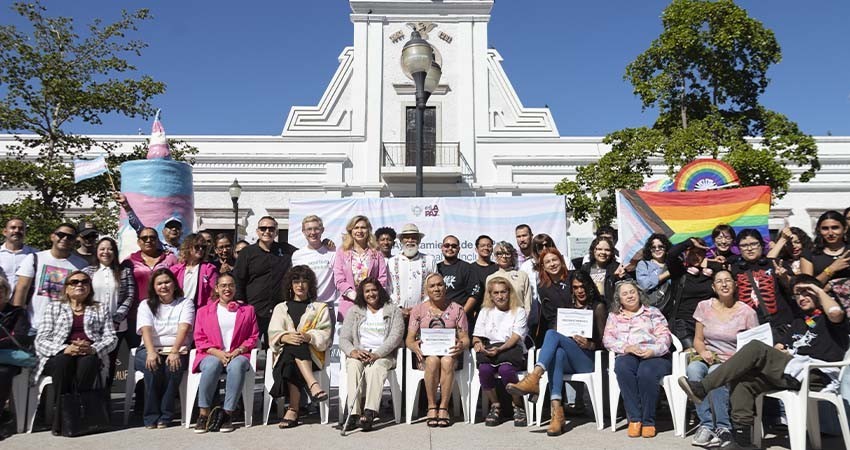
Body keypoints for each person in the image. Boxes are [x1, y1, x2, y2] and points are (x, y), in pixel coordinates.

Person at [679, 274, 850, 449]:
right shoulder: (799, 322)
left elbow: (835, 313)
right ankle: (742, 439)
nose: (802, 298)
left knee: (756, 347)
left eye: (807, 293)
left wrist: (817, 288)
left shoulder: (832, 320)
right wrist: (779, 349)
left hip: (816, 375)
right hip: (791, 373)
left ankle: (703, 387)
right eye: (798, 294)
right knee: (744, 380)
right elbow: (780, 347)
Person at [508, 254, 607, 436]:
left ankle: (535, 377)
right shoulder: (568, 307)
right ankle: (556, 413)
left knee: (552, 334)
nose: (580, 291)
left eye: (583, 286)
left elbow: (606, 342)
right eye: (575, 287)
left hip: (588, 359)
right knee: (558, 353)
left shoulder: (597, 307)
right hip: (569, 355)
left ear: (589, 286)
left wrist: (590, 344)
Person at [34, 271, 117, 435]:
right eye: (74, 282)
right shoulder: (54, 307)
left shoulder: (100, 308)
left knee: (90, 362)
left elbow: (111, 337)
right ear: (66, 288)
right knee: (62, 362)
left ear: (90, 288)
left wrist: (94, 348)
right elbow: (41, 339)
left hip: (89, 353)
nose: (80, 284)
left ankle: (71, 416)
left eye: (85, 282)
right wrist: (65, 348)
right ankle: (67, 417)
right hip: (59, 355)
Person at [685, 269, 758, 447]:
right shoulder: (704, 306)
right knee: (694, 369)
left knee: (716, 372)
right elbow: (698, 339)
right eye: (719, 281)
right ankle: (707, 424)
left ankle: (723, 427)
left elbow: (754, 345)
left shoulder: (747, 312)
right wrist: (703, 352)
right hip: (707, 356)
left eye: (728, 280)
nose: (724, 284)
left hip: (732, 362)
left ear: (735, 284)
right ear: (713, 286)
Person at [602, 279, 672, 438]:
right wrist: (626, 348)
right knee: (622, 367)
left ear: (639, 294)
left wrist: (652, 351)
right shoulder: (614, 317)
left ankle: (648, 421)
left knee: (646, 372)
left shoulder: (652, 312)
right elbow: (608, 340)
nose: (630, 296)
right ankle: (634, 419)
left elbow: (665, 337)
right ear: (619, 298)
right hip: (629, 353)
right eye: (625, 294)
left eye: (632, 292)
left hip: (655, 355)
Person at [191, 273, 259, 433]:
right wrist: (218, 353)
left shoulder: (247, 310)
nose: (227, 289)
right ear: (217, 288)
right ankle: (204, 414)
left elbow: (253, 336)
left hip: (238, 354)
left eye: (231, 285)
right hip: (210, 354)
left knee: (237, 365)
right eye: (223, 285)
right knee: (213, 364)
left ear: (235, 288)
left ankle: (227, 414)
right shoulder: (203, 312)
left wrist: (239, 350)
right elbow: (199, 339)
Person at [268, 265, 333, 429]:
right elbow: (272, 333)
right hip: (283, 357)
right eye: (296, 281)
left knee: (298, 342)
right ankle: (313, 385)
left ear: (310, 285)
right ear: (290, 284)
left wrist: (309, 336)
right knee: (292, 345)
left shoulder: (319, 308)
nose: (300, 285)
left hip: (312, 356)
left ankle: (292, 410)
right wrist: (284, 336)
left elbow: (326, 335)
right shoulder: (281, 308)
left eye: (305, 281)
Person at [338, 277, 404, 431]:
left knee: (375, 368)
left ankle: (369, 413)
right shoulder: (354, 311)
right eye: (367, 291)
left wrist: (378, 354)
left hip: (383, 356)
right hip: (360, 353)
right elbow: (343, 339)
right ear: (362, 293)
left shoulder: (393, 310)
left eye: (374, 290)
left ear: (380, 291)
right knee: (353, 365)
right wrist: (353, 351)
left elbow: (396, 336)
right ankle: (353, 414)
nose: (371, 294)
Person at [406, 273, 470, 427]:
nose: (436, 289)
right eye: (432, 286)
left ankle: (444, 407)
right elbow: (409, 339)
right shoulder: (418, 310)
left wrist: (461, 345)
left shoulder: (457, 309)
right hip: (426, 356)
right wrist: (414, 346)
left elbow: (466, 338)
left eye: (440, 285)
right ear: (426, 290)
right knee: (433, 361)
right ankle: (431, 406)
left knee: (446, 361)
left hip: (451, 354)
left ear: (445, 287)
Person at [136, 268, 195, 429]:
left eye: (167, 282)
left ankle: (166, 415)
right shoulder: (145, 305)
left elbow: (184, 327)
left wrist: (175, 351)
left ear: (174, 284)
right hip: (149, 348)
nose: (164, 286)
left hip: (177, 349)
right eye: (159, 283)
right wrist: (150, 352)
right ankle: (151, 416)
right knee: (153, 367)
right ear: (154, 287)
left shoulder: (185, 303)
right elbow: (146, 329)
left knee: (173, 367)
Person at [472, 277, 529, 427]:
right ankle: (495, 405)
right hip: (491, 348)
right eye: (496, 293)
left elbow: (516, 337)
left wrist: (500, 349)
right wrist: (478, 343)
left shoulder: (519, 311)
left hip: (510, 349)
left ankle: (517, 405)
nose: (500, 296)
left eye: (503, 292)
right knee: (484, 370)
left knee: (506, 370)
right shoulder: (485, 311)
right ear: (490, 295)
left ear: (509, 293)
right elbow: (476, 335)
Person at [13, 223, 88, 333]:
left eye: (70, 237)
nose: (65, 238)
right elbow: (21, 289)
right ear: (52, 236)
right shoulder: (35, 258)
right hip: (34, 325)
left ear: (74, 240)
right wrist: (16, 320)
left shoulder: (82, 265)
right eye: (61, 235)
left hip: (66, 327)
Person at [81, 237, 136, 386]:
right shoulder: (87, 272)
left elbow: (129, 296)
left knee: (110, 363)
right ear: (97, 252)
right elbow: (82, 297)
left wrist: (117, 318)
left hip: (117, 326)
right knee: (91, 362)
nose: (106, 252)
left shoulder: (124, 272)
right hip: (92, 326)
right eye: (102, 249)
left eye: (110, 249)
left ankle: (105, 397)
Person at [234, 216, 292, 346]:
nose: (267, 231)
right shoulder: (247, 253)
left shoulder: (286, 250)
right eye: (263, 228)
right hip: (254, 309)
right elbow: (238, 279)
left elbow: (307, 252)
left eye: (271, 228)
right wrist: (240, 303)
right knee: (249, 345)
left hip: (279, 308)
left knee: (276, 346)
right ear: (257, 231)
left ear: (276, 232)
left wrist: (325, 244)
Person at [732, 229, 794, 342]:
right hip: (749, 329)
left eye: (754, 244)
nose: (749, 249)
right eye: (744, 246)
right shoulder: (734, 269)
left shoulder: (776, 264)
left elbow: (794, 288)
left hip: (779, 324)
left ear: (761, 245)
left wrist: (784, 277)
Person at [123, 227, 178, 347]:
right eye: (144, 238)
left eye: (152, 238)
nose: (148, 240)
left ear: (158, 240)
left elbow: (178, 283)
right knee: (138, 352)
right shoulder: (129, 261)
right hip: (136, 314)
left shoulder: (170, 258)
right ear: (138, 242)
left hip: (165, 314)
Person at [666, 237, 723, 347]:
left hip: (708, 323)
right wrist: (690, 242)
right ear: (686, 254)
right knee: (695, 354)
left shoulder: (711, 273)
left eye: (699, 253)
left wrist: (715, 263)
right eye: (692, 253)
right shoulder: (679, 272)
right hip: (684, 324)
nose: (696, 256)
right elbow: (671, 254)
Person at [333, 215, 388, 321]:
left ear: (368, 230)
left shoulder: (376, 253)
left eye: (363, 227)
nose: (359, 231)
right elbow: (339, 279)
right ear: (351, 231)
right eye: (356, 227)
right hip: (348, 304)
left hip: (372, 305)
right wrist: (355, 296)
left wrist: (370, 296)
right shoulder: (342, 252)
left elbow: (382, 278)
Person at [0, 276, 32, 437]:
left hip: (8, 358)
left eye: (1, 289)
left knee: (3, 373)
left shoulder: (17, 312)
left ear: (6, 292)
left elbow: (21, 337)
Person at [292, 215, 337, 323]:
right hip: (304, 306)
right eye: (309, 229)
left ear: (322, 230)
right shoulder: (297, 255)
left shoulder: (332, 253)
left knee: (326, 340)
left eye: (316, 228)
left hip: (326, 307)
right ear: (303, 231)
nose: (313, 232)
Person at [388, 223, 437, 316]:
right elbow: (388, 289)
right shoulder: (391, 262)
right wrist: (399, 308)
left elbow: (434, 287)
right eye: (406, 237)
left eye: (413, 237)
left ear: (419, 240)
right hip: (397, 313)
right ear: (401, 240)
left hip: (423, 313)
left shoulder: (429, 260)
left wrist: (420, 308)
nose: (410, 241)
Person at [115, 193, 183, 255]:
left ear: (181, 232)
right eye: (170, 226)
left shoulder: (185, 249)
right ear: (163, 231)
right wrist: (126, 206)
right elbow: (138, 227)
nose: (174, 229)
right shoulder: (158, 245)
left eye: (177, 227)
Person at [801, 210, 850, 285]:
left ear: (845, 228)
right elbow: (807, 285)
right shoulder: (810, 254)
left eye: (835, 228)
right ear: (819, 230)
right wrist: (831, 269)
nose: (830, 233)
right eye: (825, 228)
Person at [170, 233, 218, 308]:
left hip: (200, 310)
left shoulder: (209, 269)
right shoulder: (175, 270)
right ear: (188, 247)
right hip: (178, 308)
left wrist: (208, 310)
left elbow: (214, 293)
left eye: (203, 247)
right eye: (197, 247)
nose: (201, 249)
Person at [579, 236, 628, 308]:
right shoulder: (586, 268)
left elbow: (628, 288)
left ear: (611, 252)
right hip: (589, 308)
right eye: (599, 249)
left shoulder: (617, 268)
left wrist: (620, 278)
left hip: (610, 308)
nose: (603, 252)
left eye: (607, 250)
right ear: (593, 250)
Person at [487, 241, 533, 317]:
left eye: (507, 253)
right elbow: (489, 303)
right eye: (499, 253)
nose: (504, 256)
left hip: (520, 319)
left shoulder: (522, 276)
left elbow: (528, 302)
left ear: (512, 256)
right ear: (495, 256)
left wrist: (524, 320)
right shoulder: (490, 278)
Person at [437, 235, 476, 322]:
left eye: (454, 246)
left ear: (458, 249)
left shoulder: (467, 268)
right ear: (442, 247)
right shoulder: (436, 268)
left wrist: (461, 314)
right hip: (439, 317)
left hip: (461, 318)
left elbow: (474, 295)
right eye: (447, 245)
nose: (450, 248)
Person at [0, 218, 36, 299]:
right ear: (5, 232)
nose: (17, 231)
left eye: (21, 228)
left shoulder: (35, 255)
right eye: (13, 228)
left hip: (24, 304)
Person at [635, 233, 672, 313]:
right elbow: (645, 284)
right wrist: (667, 274)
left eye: (661, 246)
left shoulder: (672, 264)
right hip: (651, 309)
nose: (657, 249)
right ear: (649, 249)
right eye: (653, 247)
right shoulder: (643, 264)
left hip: (672, 309)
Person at [469, 235, 499, 326]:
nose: (486, 248)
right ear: (476, 249)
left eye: (489, 246)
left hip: (495, 314)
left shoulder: (498, 268)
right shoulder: (469, 269)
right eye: (482, 246)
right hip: (475, 315)